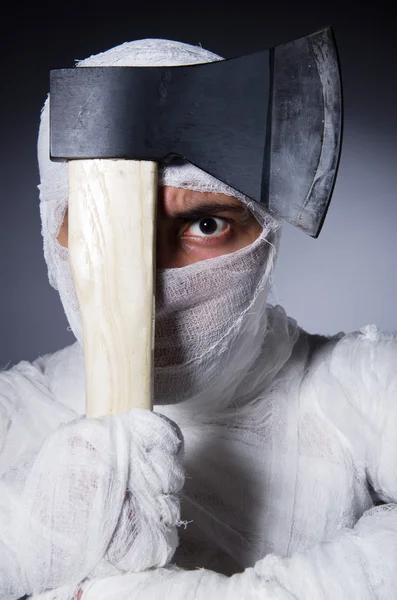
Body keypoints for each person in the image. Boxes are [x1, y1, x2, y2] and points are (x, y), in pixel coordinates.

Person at [1, 38, 397, 600]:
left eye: (206, 224)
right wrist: (21, 536)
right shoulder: (14, 414)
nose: (151, 281)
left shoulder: (364, 388)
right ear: (51, 236)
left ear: (268, 232)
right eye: (101, 225)